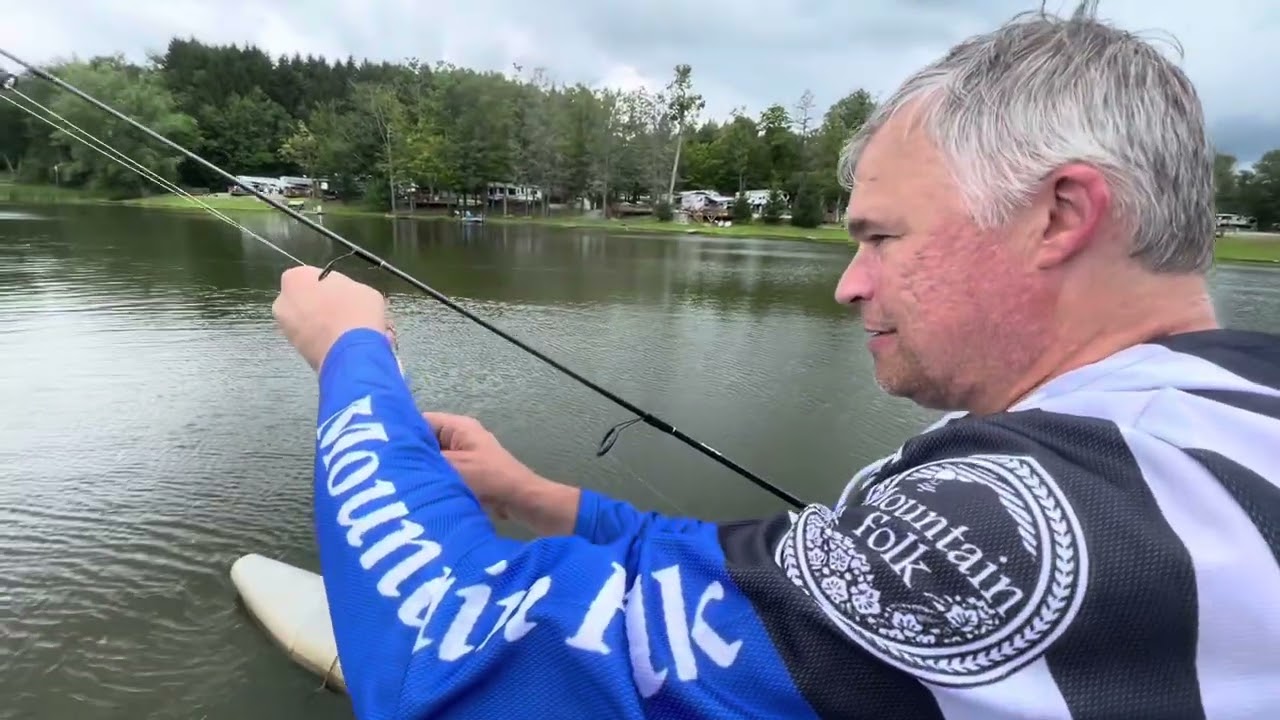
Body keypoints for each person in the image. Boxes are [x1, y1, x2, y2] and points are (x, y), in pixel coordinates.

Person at [271, 4, 1280, 719]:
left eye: (881, 238)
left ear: (1058, 215)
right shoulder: (1222, 416)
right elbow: (772, 584)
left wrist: (353, 353)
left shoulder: (1054, 513)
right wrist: (539, 497)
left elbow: (461, 656)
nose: (848, 284)